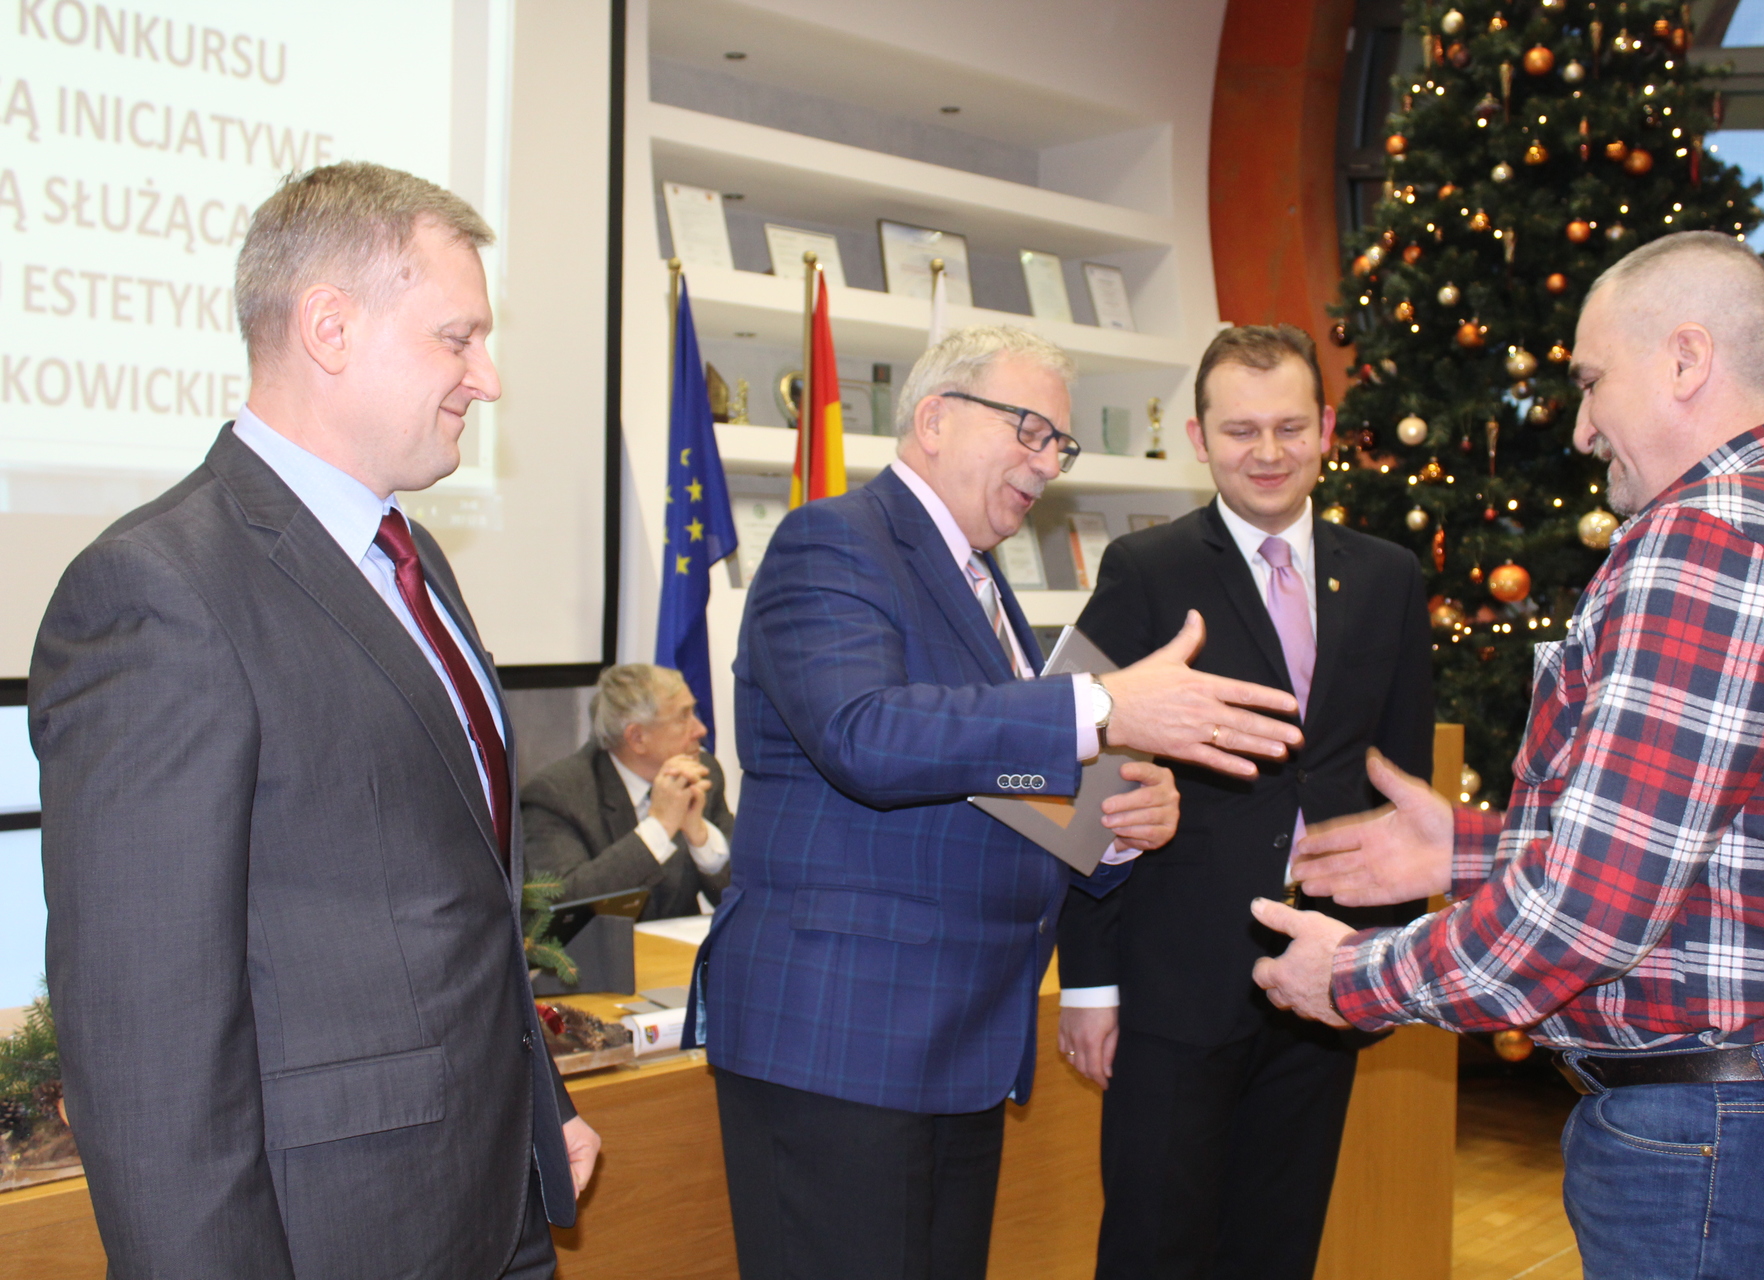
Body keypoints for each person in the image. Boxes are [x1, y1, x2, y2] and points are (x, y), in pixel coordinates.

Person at [1253, 231, 1764, 1280]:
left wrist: (1351, 977)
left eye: (1591, 381)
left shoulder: (1716, 537)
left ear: (1686, 360)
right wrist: (1469, 850)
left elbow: (1592, 909)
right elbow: (1731, 840)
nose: (1580, 427)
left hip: (1725, 1140)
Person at [30, 162, 598, 1280]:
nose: (486, 379)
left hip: (495, 1201)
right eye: (458, 338)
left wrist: (539, 1105)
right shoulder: (158, 590)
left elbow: (460, 903)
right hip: (337, 1233)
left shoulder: (414, 558)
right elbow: (148, 1044)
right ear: (330, 328)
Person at [695, 324, 1306, 1280]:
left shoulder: (983, 584)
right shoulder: (833, 541)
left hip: (959, 1046)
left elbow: (993, 779)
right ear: (935, 418)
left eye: (1059, 443)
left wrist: (1113, 826)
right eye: (1029, 430)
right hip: (843, 1039)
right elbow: (866, 737)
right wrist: (1101, 707)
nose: (1046, 463)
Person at [1056, 324, 1433, 1280]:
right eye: (1239, 431)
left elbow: (1403, 781)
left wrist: (1386, 962)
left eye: (1289, 427)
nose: (1267, 452)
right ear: (1198, 438)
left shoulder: (1388, 575)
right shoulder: (1145, 569)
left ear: (1326, 431)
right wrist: (1090, 984)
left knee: (1278, 1246)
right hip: (1174, 979)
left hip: (1324, 972)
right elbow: (1080, 778)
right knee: (1154, 1248)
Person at [521, 663, 733, 920]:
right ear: (637, 738)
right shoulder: (557, 795)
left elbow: (741, 894)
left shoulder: (702, 773)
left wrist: (701, 838)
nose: (700, 730)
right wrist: (659, 828)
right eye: (683, 717)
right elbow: (561, 905)